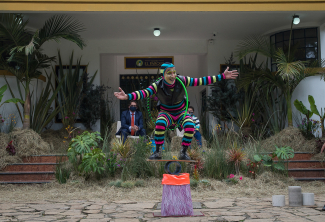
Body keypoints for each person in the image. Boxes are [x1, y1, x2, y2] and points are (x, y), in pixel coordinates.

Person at [114, 62, 238, 160]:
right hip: (166, 113)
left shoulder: (182, 80)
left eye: (174, 72)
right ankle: (157, 152)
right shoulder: (157, 85)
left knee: (190, 125)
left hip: (181, 113)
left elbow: (201, 80)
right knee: (160, 124)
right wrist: (127, 96)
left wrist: (222, 76)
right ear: (163, 75)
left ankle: (183, 152)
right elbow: (143, 93)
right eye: (169, 73)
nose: (173, 75)